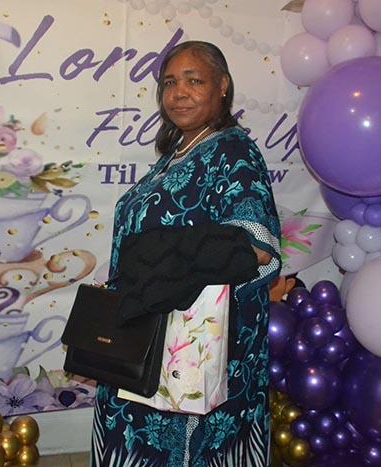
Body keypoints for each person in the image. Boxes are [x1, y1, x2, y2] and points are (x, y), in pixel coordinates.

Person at [90, 40, 282, 466]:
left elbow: (259, 249)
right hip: (142, 334)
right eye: (170, 83)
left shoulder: (232, 151)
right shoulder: (174, 155)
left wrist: (160, 270)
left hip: (189, 345)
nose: (179, 93)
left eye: (194, 81)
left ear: (223, 86)